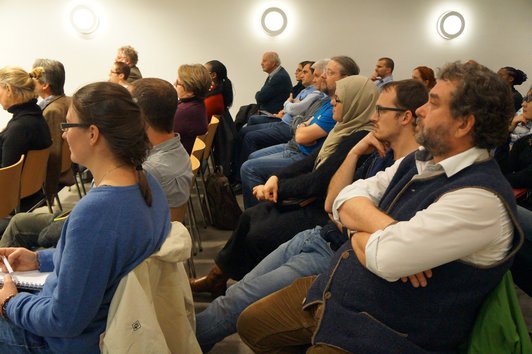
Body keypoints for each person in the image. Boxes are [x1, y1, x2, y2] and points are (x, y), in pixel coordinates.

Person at [237, 61, 523, 353]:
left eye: (433, 103)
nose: (421, 110)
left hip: (388, 332)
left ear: (464, 123)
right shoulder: (421, 160)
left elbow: (386, 257)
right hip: (340, 293)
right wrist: (387, 230)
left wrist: (358, 231)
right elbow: (343, 200)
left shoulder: (480, 199)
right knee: (249, 323)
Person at [195, 79, 427, 352]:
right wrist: (353, 153)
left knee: (237, 302)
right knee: (237, 292)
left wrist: (350, 214)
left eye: (381, 110)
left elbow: (338, 208)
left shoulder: (414, 170)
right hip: (316, 236)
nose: (373, 117)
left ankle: (176, 344)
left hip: (330, 253)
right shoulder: (375, 149)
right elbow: (333, 202)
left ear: (405, 117)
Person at [0, 82, 171, 353]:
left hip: (66, 341)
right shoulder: (147, 184)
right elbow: (98, 263)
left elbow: (63, 320)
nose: (64, 136)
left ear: (92, 133)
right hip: (100, 323)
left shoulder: (96, 213)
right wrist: (39, 259)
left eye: (67, 127)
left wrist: (11, 304)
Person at [190, 72, 377, 297]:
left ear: (356, 103)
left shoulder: (357, 138)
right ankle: (217, 278)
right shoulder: (343, 129)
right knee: (250, 216)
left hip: (322, 212)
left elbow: (318, 182)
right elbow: (311, 161)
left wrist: (277, 189)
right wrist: (276, 178)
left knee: (259, 233)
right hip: (311, 199)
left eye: (339, 99)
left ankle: (245, 292)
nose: (333, 102)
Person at [0, 78, 193, 250]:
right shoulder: (171, 153)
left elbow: (99, 227)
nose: (64, 135)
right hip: (98, 226)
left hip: (94, 230)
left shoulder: (140, 175)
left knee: (19, 226)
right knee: (19, 222)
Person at [239, 56, 359, 208]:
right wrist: (302, 126)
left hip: (302, 153)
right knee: (251, 149)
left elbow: (300, 129)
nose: (321, 76)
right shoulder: (328, 102)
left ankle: (258, 214)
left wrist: (301, 127)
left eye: (328, 73)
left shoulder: (334, 107)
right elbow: (301, 123)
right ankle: (259, 210)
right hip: (295, 144)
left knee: (249, 165)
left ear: (346, 79)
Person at [232, 60, 325, 185]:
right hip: (286, 124)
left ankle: (239, 178)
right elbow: (292, 109)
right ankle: (236, 170)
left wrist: (290, 107)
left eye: (304, 72)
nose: (300, 74)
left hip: (289, 129)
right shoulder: (305, 90)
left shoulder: (318, 95)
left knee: (249, 139)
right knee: (249, 124)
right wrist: (290, 109)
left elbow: (293, 111)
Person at [32, 59, 71, 203]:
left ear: (44, 85)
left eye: (33, 78)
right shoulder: (68, 101)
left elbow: (54, 154)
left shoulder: (52, 111)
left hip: (53, 179)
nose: (29, 82)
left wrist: (49, 192)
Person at [172, 64, 212, 154]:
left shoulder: (185, 111)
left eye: (178, 83)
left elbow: (161, 138)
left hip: (177, 159)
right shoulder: (196, 103)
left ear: (190, 90)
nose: (174, 84)